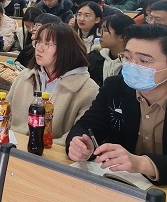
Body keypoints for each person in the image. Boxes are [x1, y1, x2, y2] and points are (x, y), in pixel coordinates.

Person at [66, 24, 167, 184]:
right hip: (120, 185)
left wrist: (141, 164)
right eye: (127, 57)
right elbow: (86, 125)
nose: (133, 65)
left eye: (144, 60)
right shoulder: (115, 87)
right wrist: (81, 145)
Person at [7, 23, 99, 145]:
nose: (39, 48)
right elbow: (5, 114)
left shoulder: (88, 89)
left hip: (54, 150)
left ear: (66, 48)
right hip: (14, 144)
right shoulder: (25, 76)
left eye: (47, 44)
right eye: (38, 42)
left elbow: (80, 136)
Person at [87, 14, 135, 86]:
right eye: (100, 30)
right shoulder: (94, 58)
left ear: (122, 37)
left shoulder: (135, 66)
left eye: (105, 30)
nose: (100, 35)